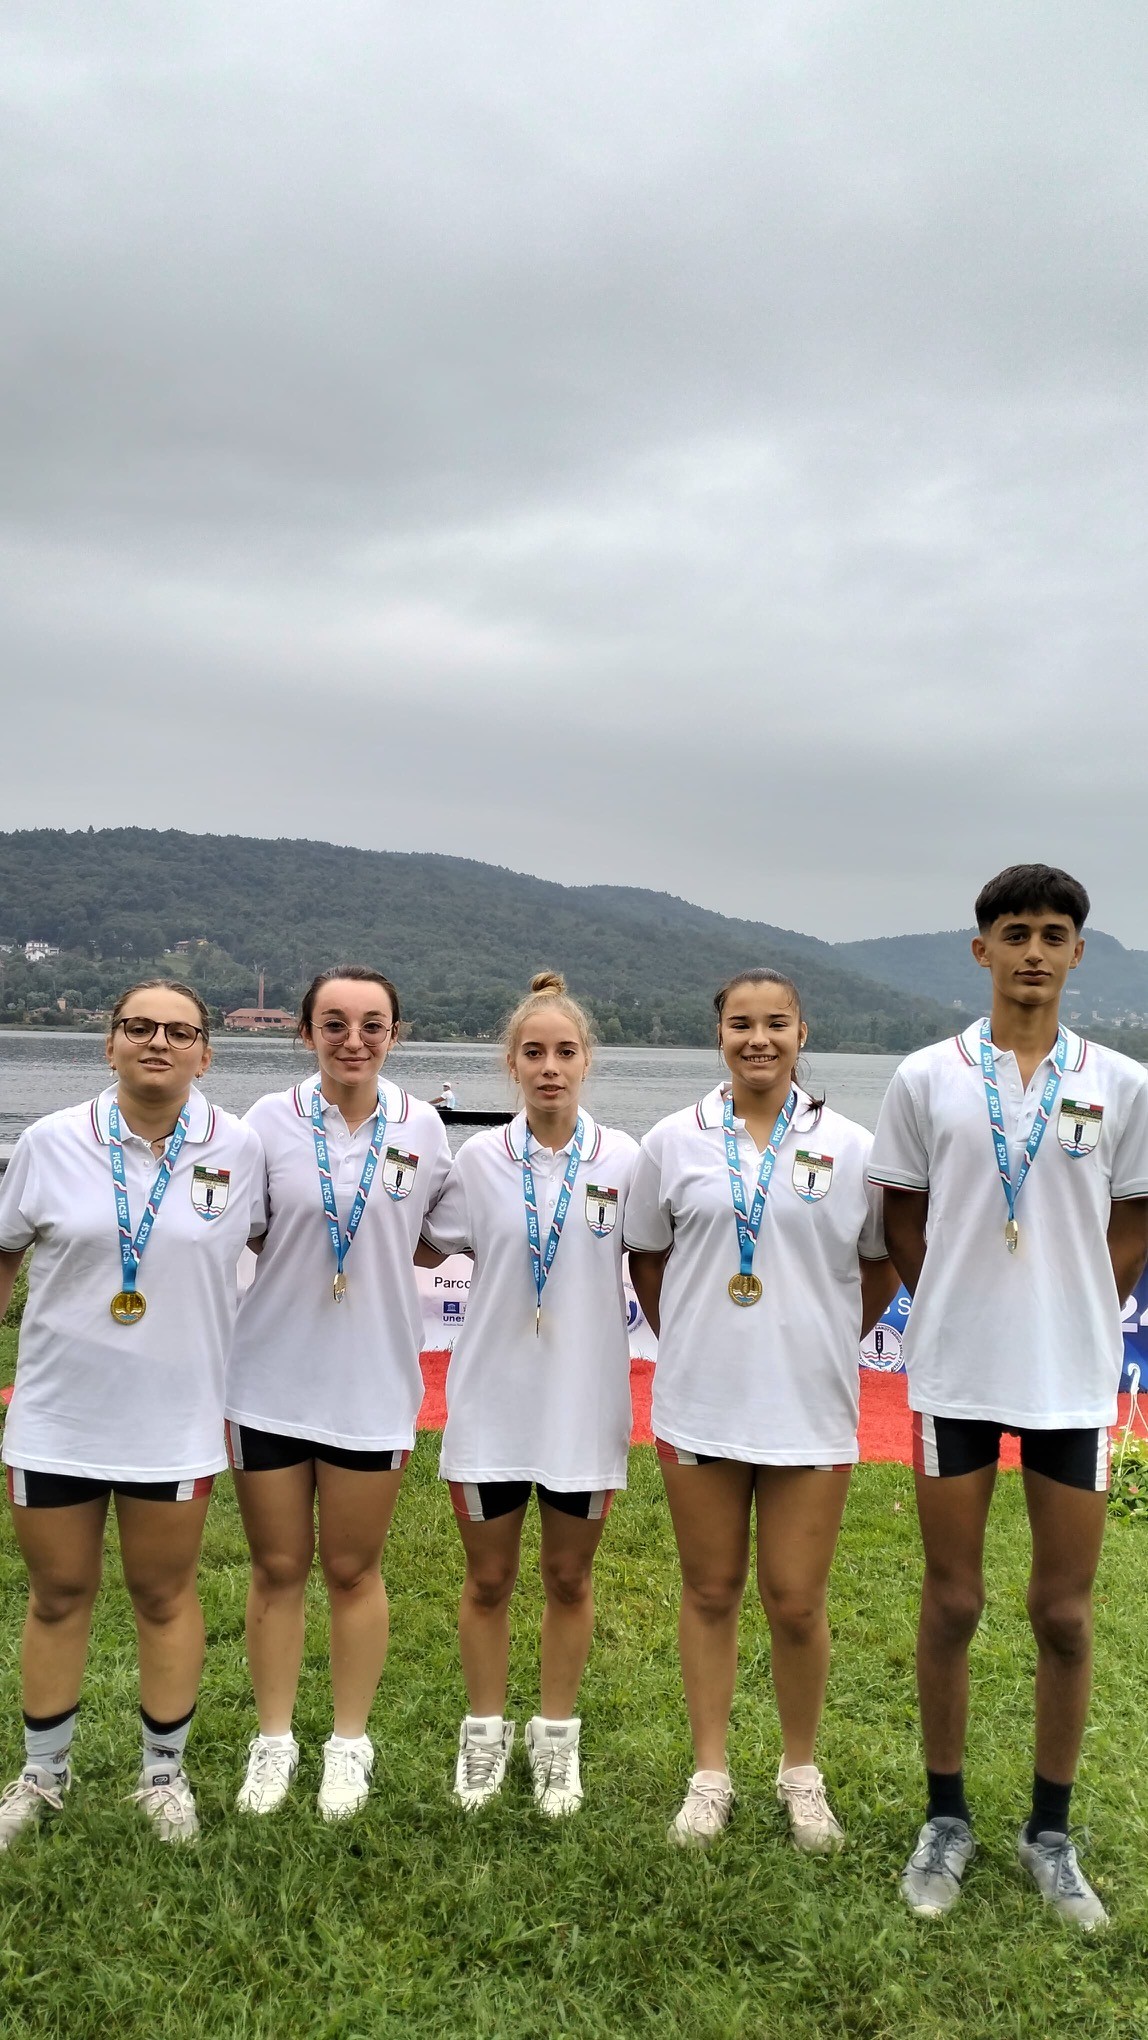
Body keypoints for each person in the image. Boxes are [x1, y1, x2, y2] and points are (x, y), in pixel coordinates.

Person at [868, 865, 1148, 1929]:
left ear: (1077, 952)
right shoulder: (924, 1077)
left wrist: (1074, 1309)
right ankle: (944, 1819)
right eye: (1015, 932)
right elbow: (901, 1218)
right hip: (955, 1376)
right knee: (953, 1601)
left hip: (1069, 1381)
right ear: (981, 949)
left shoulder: (1119, 1083)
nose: (1034, 950)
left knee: (1063, 1613)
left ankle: (1049, 1833)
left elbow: (1133, 1221)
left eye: (1053, 933)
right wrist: (951, 1302)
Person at [625, 969, 897, 1851]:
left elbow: (880, 1264)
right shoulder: (673, 1141)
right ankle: (709, 1776)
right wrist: (695, 1336)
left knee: (797, 1601)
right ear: (720, 1036)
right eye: (741, 1024)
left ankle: (800, 1773)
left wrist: (824, 1336)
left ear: (801, 1034)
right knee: (710, 1591)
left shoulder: (852, 1146)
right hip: (701, 1402)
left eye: (776, 1023)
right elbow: (648, 1257)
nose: (758, 1039)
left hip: (809, 1405)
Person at [0, 982, 265, 1847]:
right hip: (57, 1416)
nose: (158, 1042)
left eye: (179, 1032)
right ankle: (43, 1776)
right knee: (57, 1594)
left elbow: (277, 1244)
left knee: (162, 1593)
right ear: (108, 1044)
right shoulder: (49, 1142)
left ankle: (162, 1776)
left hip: (173, 1421)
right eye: (138, 1027)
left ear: (204, 1055)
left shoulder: (240, 1148)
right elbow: (4, 1251)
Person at [225, 968, 450, 1820]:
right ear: (306, 1032)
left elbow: (434, 1239)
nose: (353, 1040)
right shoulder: (265, 1122)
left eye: (371, 1024)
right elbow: (246, 1228)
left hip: (371, 1384)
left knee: (354, 1571)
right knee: (278, 1568)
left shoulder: (422, 1126)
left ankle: (349, 1745)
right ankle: (273, 1741)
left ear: (395, 1034)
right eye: (334, 1023)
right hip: (268, 1382)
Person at [418, 972, 638, 1817]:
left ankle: (555, 1740)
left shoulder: (625, 1160)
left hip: (583, 1408)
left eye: (565, 1052)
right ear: (510, 1064)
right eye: (534, 1053)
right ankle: (483, 1733)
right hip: (492, 1406)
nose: (550, 1067)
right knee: (487, 1582)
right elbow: (418, 1244)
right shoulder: (478, 1161)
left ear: (587, 1062)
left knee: (570, 1581)